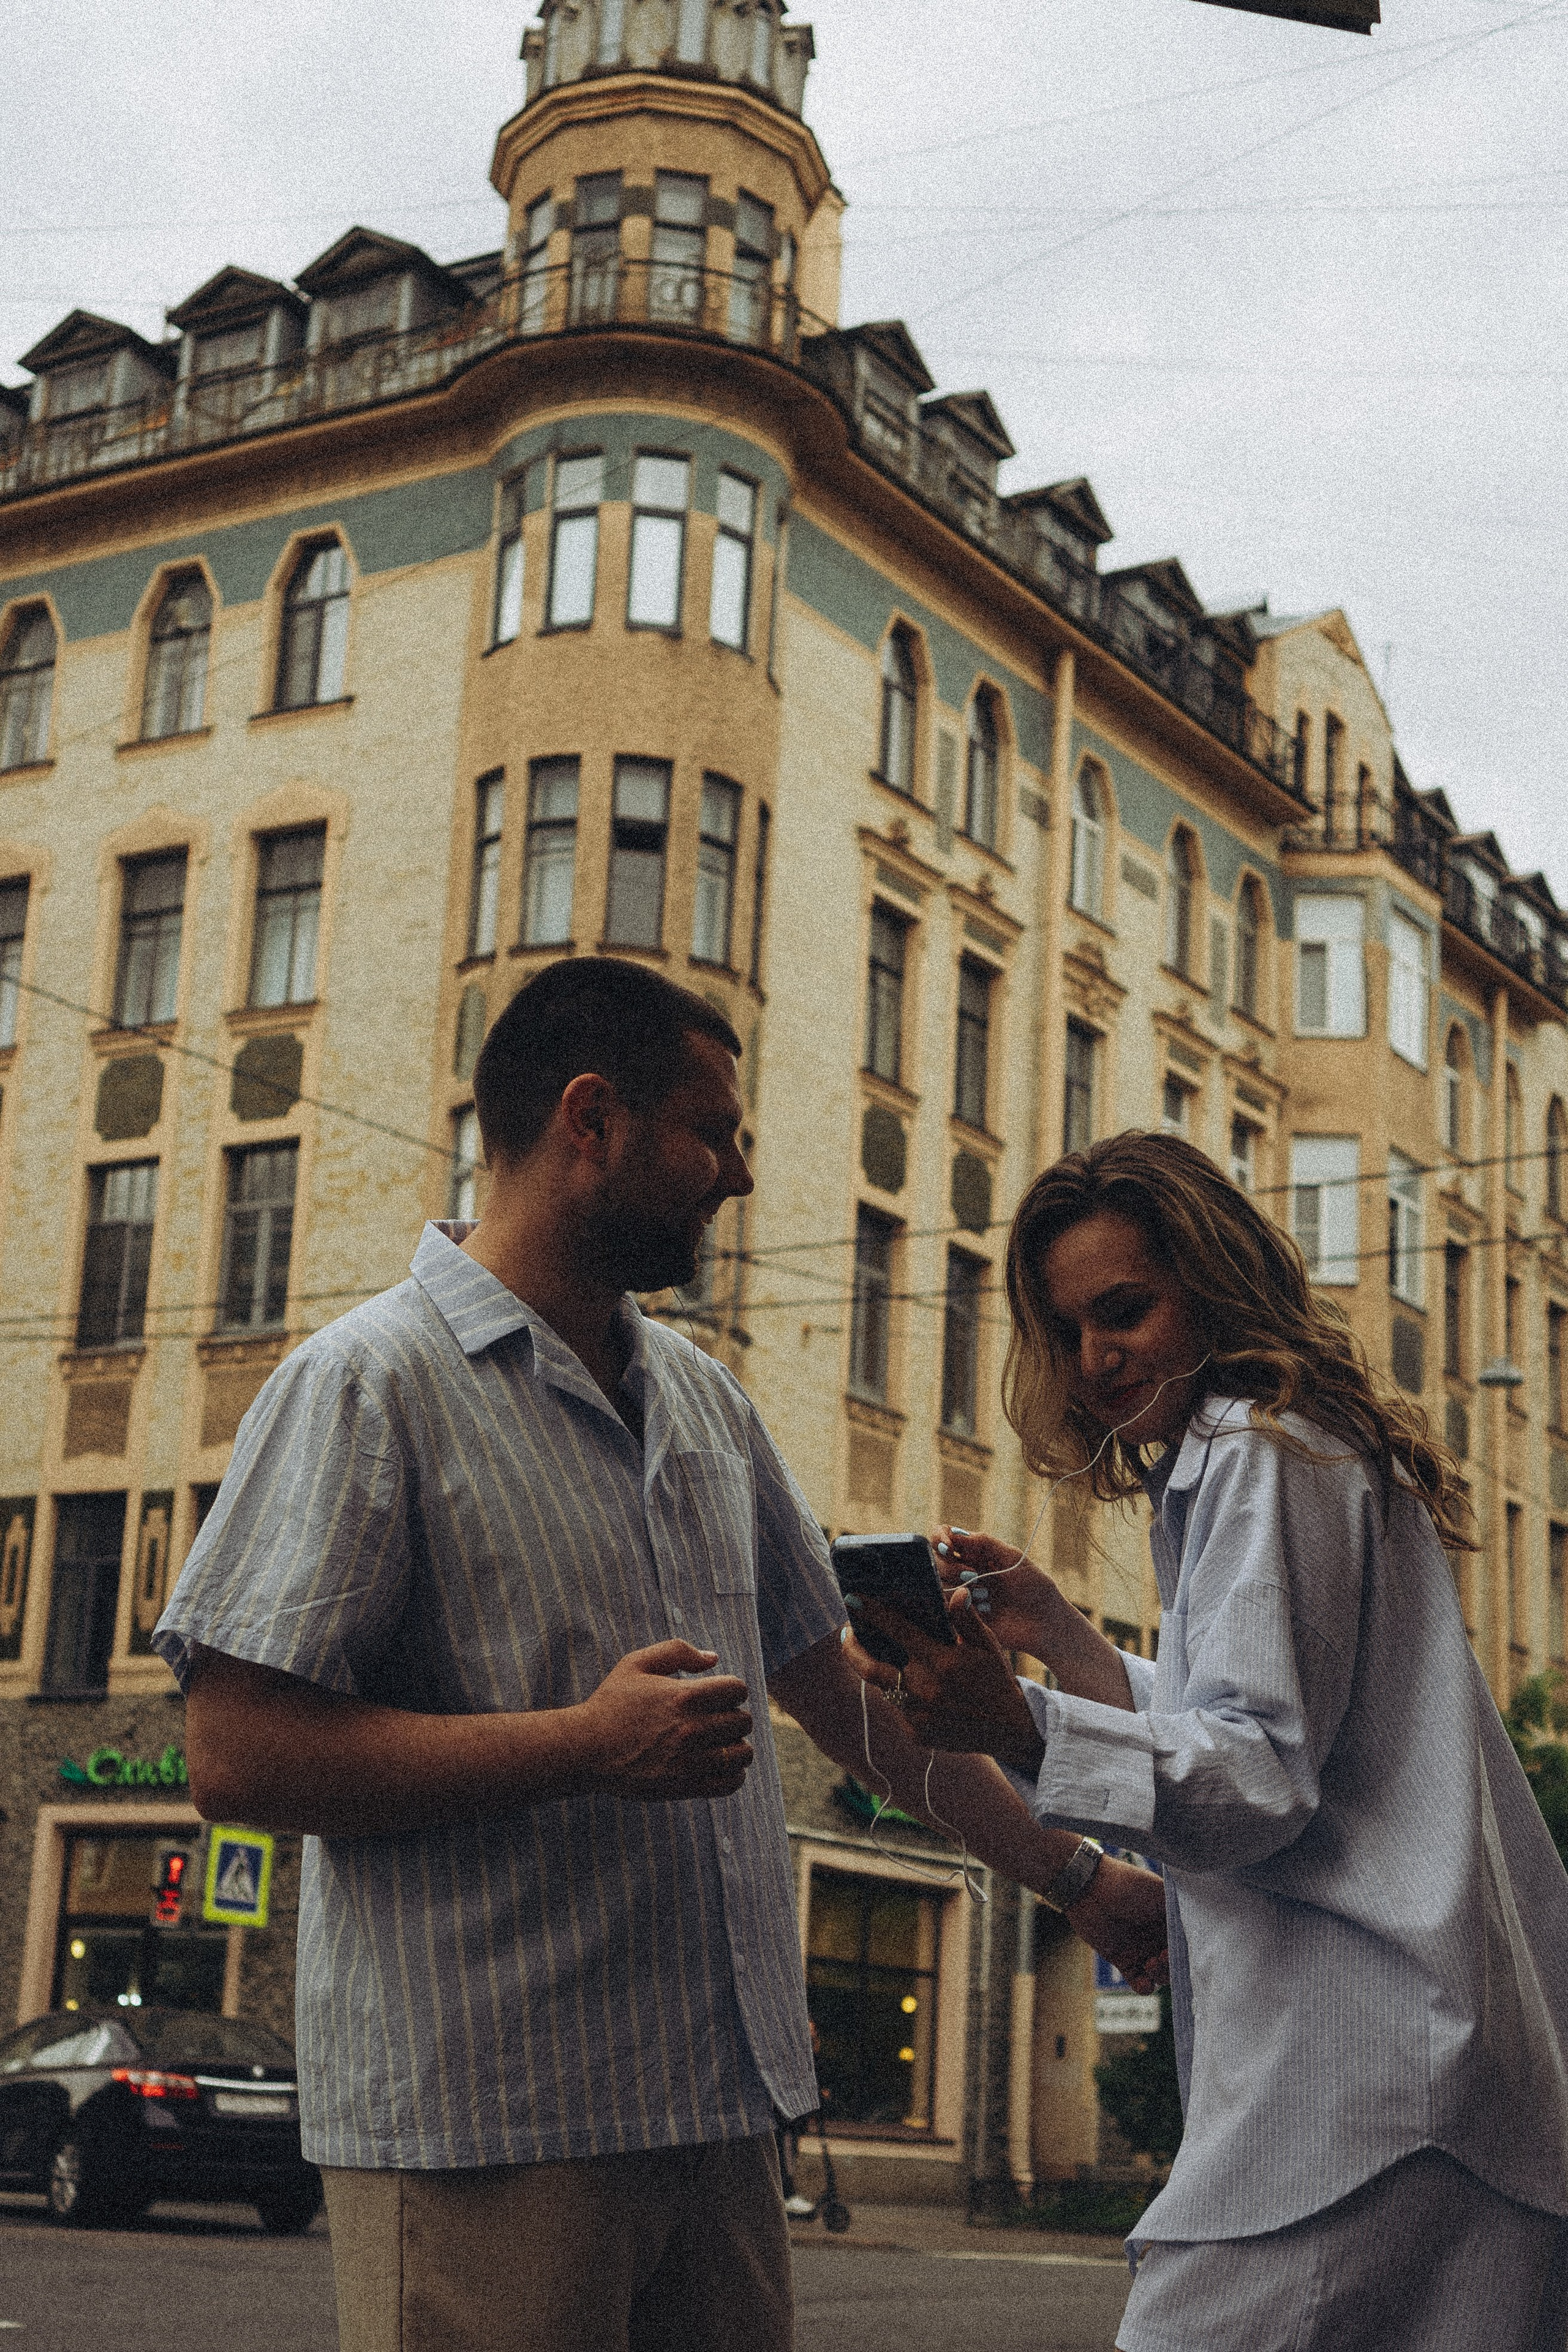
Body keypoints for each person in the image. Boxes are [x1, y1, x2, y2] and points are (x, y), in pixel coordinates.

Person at [156, 959, 1169, 2352]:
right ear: (592, 1120)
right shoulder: (363, 1383)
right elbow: (235, 1754)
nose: (739, 1176)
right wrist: (584, 1742)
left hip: (713, 2119)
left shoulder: (699, 1398)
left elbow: (849, 1702)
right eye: (714, 1133)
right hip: (488, 2136)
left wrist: (1075, 1878)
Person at [843, 1129, 1568, 2352]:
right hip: (1411, 2082)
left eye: (1123, 1310)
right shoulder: (1280, 1443)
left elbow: (1256, 1780)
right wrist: (1067, 1641)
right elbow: (1267, 1725)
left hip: (1360, 2097)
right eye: (1067, 1329)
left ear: (1212, 1284)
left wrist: (1017, 1722)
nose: (1092, 1358)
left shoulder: (1256, 1450)